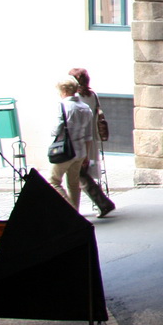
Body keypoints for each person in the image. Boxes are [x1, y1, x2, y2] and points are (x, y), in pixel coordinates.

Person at [68, 67, 116, 217]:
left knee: (79, 174)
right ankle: (101, 204)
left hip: (81, 140)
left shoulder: (76, 98)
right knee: (81, 174)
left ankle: (102, 204)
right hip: (92, 138)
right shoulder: (92, 95)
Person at [49, 77, 96, 212]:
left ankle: (71, 210)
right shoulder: (85, 107)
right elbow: (89, 134)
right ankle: (75, 212)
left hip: (66, 150)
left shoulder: (63, 106)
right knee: (73, 184)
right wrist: (86, 155)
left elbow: (56, 130)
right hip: (80, 150)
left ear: (63, 91)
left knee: (53, 181)